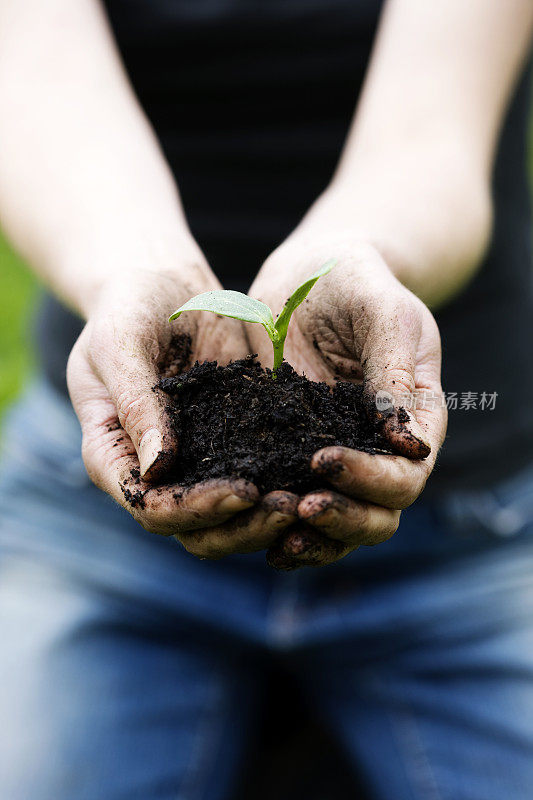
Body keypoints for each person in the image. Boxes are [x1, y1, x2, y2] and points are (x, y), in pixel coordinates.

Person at [0, 0, 532, 796]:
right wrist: (131, 274)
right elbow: (37, 93)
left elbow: (432, 140)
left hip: (472, 524)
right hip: (96, 517)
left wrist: (362, 251)